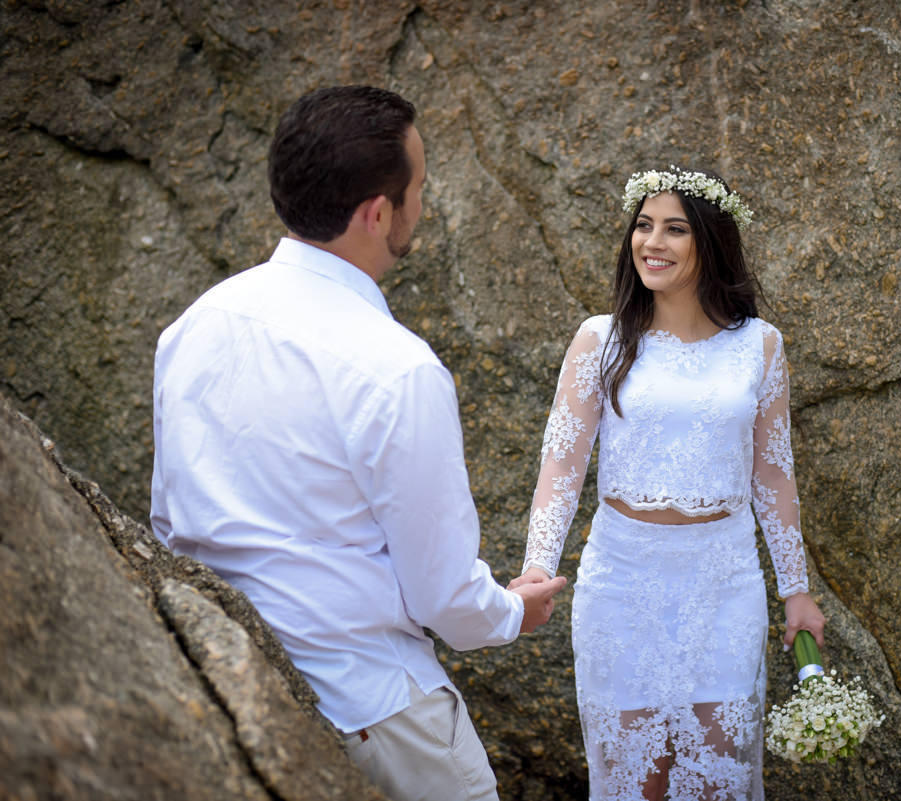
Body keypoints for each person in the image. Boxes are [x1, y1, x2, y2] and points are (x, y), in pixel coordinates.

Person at [150, 85, 567, 801]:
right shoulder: (396, 368)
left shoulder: (193, 326)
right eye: (420, 190)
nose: (422, 206)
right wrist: (512, 610)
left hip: (226, 679)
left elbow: (170, 522)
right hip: (378, 711)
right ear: (378, 213)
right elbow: (442, 595)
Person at [510, 165, 826, 800]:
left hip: (724, 581)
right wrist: (537, 568)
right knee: (637, 780)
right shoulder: (599, 340)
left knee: (718, 777)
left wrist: (796, 591)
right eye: (644, 225)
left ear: (709, 242)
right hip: (623, 582)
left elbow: (773, 474)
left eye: (674, 229)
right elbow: (562, 465)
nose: (652, 242)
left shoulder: (760, 346)